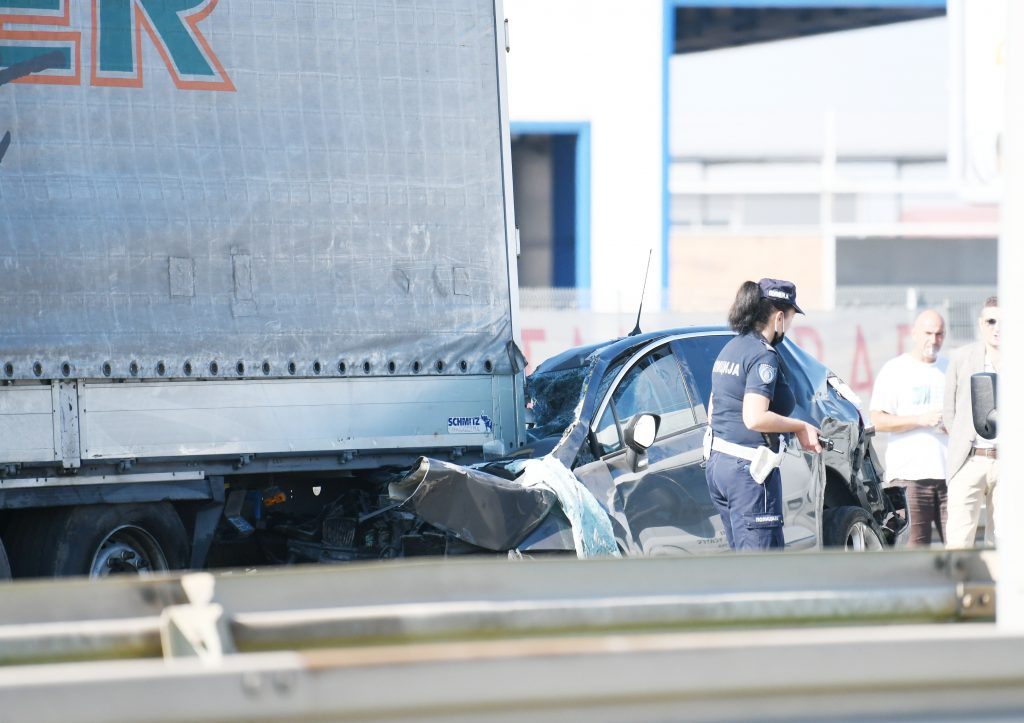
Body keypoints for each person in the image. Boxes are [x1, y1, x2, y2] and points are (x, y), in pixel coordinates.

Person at [705, 278, 822, 551]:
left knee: (743, 566)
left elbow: (714, 406)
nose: (788, 328)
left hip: (720, 465)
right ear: (779, 318)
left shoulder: (731, 348)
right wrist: (800, 427)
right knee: (763, 571)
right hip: (748, 473)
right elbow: (754, 418)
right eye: (790, 320)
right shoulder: (762, 356)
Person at [868, 309, 948, 547]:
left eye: (939, 334)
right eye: (928, 333)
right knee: (914, 548)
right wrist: (921, 419)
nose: (933, 340)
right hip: (910, 477)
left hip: (950, 474)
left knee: (959, 547)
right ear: (914, 333)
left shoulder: (951, 367)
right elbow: (878, 420)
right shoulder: (896, 369)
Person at [944, 296, 1000, 549]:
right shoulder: (962, 357)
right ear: (981, 324)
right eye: (991, 321)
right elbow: (949, 410)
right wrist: (962, 445)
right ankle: (958, 589)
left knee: (1003, 540)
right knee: (958, 539)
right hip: (969, 458)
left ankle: (999, 589)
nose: (998, 327)